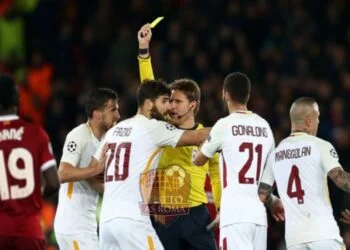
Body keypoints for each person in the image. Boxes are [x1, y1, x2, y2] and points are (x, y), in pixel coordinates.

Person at [89, 79, 210, 250]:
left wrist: (114, 188)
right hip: (133, 220)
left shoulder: (114, 130)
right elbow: (197, 136)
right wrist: (227, 127)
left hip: (107, 221)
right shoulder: (154, 128)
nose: (168, 107)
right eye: (164, 102)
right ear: (148, 104)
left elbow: (92, 173)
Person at [137, 24, 220, 250]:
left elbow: (215, 174)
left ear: (192, 105)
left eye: (177, 101)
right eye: (170, 101)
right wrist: (143, 51)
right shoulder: (162, 128)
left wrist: (221, 206)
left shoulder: (207, 136)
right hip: (164, 212)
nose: (171, 106)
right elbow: (149, 89)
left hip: (196, 213)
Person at [194, 72, 281, 250]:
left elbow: (198, 160)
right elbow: (270, 174)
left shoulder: (224, 125)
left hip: (234, 217)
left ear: (225, 94)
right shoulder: (265, 127)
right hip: (258, 218)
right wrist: (272, 201)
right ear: (248, 95)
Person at [259, 97, 348, 250]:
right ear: (309, 120)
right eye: (317, 117)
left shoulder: (276, 153)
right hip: (323, 235)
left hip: (294, 240)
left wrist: (274, 202)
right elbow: (341, 179)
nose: (318, 122)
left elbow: (262, 193)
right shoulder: (320, 146)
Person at [54, 88, 120, 250]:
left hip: (87, 225)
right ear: (97, 114)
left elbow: (96, 185)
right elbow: (62, 173)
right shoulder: (79, 135)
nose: (118, 116)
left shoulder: (105, 141)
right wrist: (95, 170)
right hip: (73, 225)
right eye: (113, 110)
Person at [0, 73, 60, 250]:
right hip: (29, 229)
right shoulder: (36, 134)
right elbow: (54, 183)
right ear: (17, 100)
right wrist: (31, 198)